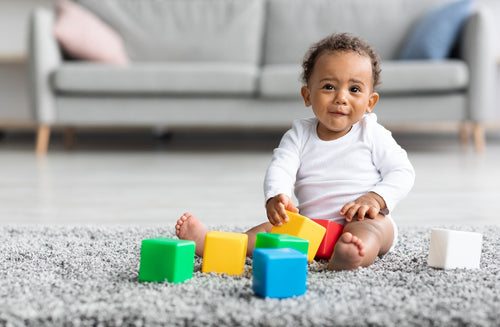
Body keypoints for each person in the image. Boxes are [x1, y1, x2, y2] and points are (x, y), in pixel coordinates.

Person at [175, 33, 415, 271]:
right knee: (267, 232)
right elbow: (281, 167)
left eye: (354, 89)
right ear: (307, 95)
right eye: (329, 86)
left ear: (370, 102)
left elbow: (402, 171)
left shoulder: (372, 132)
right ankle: (213, 244)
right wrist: (277, 196)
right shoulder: (299, 134)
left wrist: (375, 198)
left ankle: (350, 256)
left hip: (363, 219)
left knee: (371, 232)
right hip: (311, 228)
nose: (341, 98)